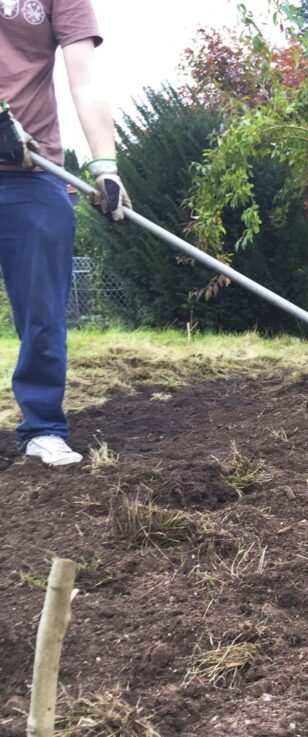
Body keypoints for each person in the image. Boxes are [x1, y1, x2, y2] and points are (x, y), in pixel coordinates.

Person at [0, 0, 130, 467]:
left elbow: (85, 79)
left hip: (33, 171)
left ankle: (41, 427)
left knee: (42, 311)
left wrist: (105, 166)